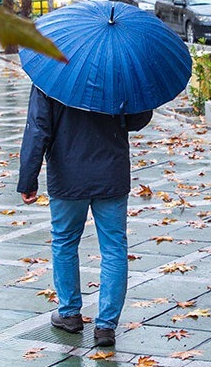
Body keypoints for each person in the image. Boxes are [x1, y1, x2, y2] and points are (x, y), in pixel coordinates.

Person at [17, 85, 152, 347]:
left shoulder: (50, 76)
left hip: (68, 174)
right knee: (114, 248)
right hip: (111, 172)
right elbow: (137, 120)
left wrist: (28, 178)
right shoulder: (119, 74)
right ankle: (106, 326)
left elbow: (38, 129)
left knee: (64, 242)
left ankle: (69, 313)